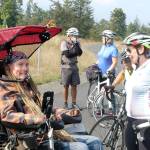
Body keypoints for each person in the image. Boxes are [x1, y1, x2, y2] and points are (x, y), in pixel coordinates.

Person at [0, 51, 103, 150]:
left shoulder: (26, 85)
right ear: (8, 67)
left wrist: (62, 112)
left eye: (27, 64)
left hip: (46, 134)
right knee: (81, 148)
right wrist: (35, 118)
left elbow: (42, 108)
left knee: (95, 142)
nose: (25, 68)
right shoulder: (5, 88)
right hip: (29, 141)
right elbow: (6, 116)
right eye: (20, 64)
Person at [123, 32, 150, 150]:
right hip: (130, 122)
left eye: (129, 50)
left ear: (141, 48)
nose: (127, 54)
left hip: (146, 125)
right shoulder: (136, 67)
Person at [60, 27, 82, 109]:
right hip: (66, 66)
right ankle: (65, 103)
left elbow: (79, 53)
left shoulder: (77, 43)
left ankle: (74, 103)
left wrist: (76, 44)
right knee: (65, 86)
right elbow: (67, 54)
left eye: (76, 36)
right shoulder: (64, 43)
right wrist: (74, 51)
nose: (76, 37)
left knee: (74, 85)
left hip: (74, 66)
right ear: (69, 35)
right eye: (74, 36)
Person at [97, 30, 118, 113]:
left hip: (109, 74)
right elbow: (100, 58)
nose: (102, 38)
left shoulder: (113, 49)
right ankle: (100, 108)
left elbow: (115, 62)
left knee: (109, 91)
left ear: (108, 38)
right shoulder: (103, 46)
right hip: (100, 72)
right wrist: (95, 64)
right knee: (100, 91)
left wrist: (109, 70)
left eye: (103, 37)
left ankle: (112, 109)